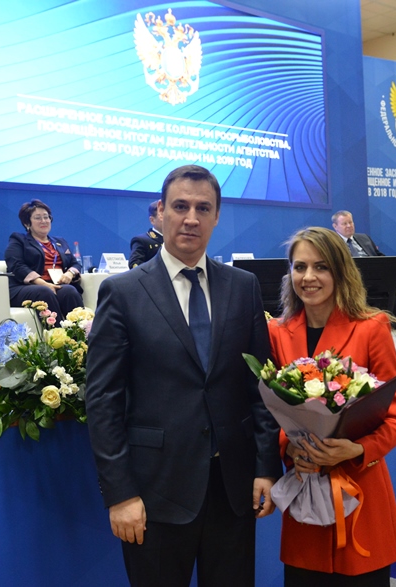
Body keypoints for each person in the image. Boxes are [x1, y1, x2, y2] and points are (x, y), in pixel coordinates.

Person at [84, 165, 282, 587]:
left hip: (232, 491)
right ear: (161, 211)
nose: (191, 218)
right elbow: (103, 401)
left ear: (216, 216)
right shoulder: (123, 292)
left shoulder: (243, 287)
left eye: (203, 208)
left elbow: (260, 385)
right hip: (154, 493)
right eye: (180, 206)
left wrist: (266, 467)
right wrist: (120, 494)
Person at [267, 226, 396, 586]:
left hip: (360, 495)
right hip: (305, 497)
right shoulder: (277, 332)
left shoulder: (371, 328)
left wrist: (356, 449)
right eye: (300, 267)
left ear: (340, 271)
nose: (309, 277)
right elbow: (267, 415)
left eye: (321, 267)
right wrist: (291, 448)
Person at [331, 210, 396, 330]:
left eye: (351, 222)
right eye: (344, 224)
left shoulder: (363, 238)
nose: (349, 226)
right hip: (357, 278)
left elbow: (379, 256)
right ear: (335, 226)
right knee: (386, 283)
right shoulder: (334, 243)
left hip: (378, 272)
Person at [5, 199, 83, 324]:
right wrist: (43, 283)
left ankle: (81, 333)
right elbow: (16, 265)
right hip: (27, 287)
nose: (44, 221)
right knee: (45, 292)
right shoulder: (19, 240)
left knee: (69, 291)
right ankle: (57, 334)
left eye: (46, 217)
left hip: (55, 284)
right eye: (38, 218)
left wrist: (70, 273)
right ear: (27, 223)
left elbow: (75, 263)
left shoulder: (60, 242)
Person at [129, 200, 164, 268]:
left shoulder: (177, 239)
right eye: (162, 217)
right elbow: (135, 265)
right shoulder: (142, 241)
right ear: (152, 220)